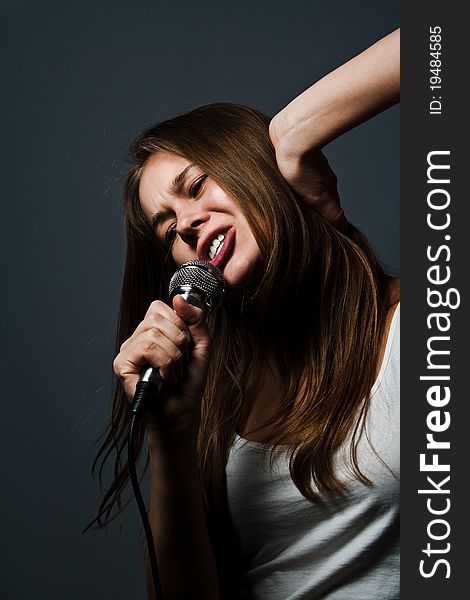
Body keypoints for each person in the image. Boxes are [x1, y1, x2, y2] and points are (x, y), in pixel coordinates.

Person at [93, 28, 400, 599]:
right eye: (167, 232)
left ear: (256, 168)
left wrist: (293, 130)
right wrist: (171, 438)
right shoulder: (207, 396)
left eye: (197, 186)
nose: (184, 224)